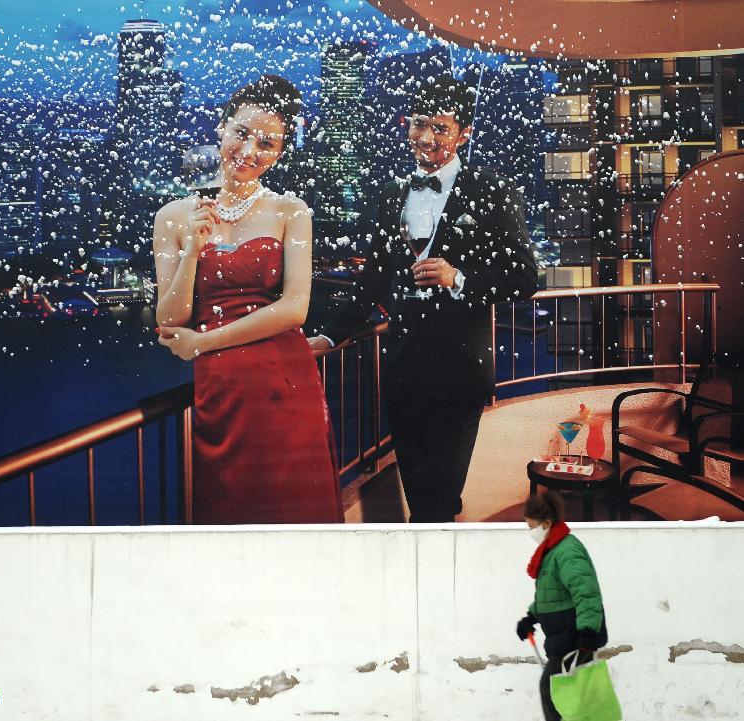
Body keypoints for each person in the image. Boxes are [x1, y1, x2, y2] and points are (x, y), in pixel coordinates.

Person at [308, 74, 538, 522]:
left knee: (441, 500)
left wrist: (458, 277)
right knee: (421, 500)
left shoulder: (491, 190)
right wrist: (328, 338)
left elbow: (526, 277)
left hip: (460, 370)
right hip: (404, 373)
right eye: (419, 125)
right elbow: (372, 281)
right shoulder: (392, 194)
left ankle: (435, 582)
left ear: (463, 134)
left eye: (441, 128)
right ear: (405, 126)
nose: (427, 137)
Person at [154, 74, 343, 524]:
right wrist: (193, 253)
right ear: (221, 128)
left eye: (267, 144)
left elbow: (295, 309)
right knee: (229, 510)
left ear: (279, 154)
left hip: (285, 382)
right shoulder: (173, 216)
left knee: (299, 514)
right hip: (222, 387)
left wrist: (200, 343)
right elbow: (169, 316)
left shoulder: (290, 211)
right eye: (242, 133)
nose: (250, 152)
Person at [516, 491, 608, 721]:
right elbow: (553, 596)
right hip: (562, 638)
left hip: (575, 639)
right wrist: (531, 617)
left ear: (547, 523)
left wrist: (587, 632)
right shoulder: (552, 551)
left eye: (532, 526)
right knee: (564, 700)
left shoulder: (567, 551)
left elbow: (586, 592)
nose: (530, 532)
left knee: (556, 696)